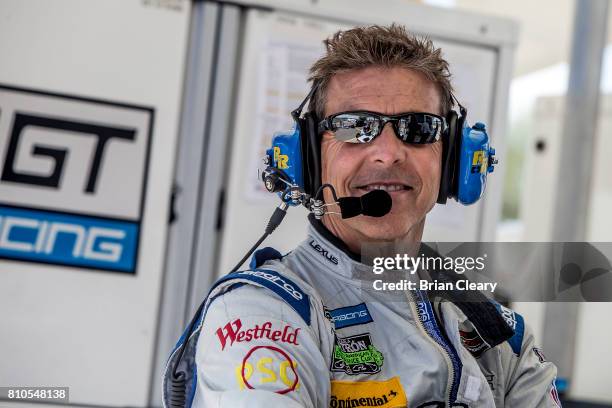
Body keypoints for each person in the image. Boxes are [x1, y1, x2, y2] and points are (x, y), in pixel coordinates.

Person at [163, 24, 559, 408]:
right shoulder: (261, 315)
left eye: (418, 128)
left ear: (453, 160)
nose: (388, 153)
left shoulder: (496, 330)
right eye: (354, 127)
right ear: (310, 160)